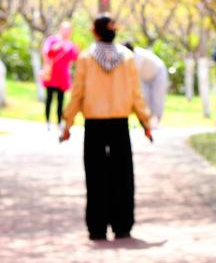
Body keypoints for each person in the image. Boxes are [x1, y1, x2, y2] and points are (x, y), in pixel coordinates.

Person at [61, 15, 153, 242]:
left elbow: (77, 94)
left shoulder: (86, 58)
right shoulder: (128, 57)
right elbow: (136, 94)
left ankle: (97, 228)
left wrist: (68, 124)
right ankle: (122, 226)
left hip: (95, 125)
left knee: (95, 176)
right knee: (122, 176)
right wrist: (145, 123)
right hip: (120, 125)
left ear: (95, 31)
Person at [41, 22, 79, 129]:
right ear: (60, 29)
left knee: (61, 100)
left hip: (63, 77)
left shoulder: (70, 44)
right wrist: (58, 46)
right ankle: (47, 121)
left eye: (68, 30)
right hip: (52, 75)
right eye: (65, 30)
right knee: (49, 99)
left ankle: (59, 122)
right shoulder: (52, 40)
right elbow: (47, 52)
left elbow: (75, 58)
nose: (66, 32)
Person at [123, 41, 169, 129]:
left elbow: (133, 76)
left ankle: (156, 123)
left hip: (158, 74)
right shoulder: (130, 58)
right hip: (145, 78)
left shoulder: (137, 56)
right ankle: (147, 122)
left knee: (157, 100)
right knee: (145, 100)